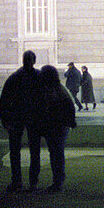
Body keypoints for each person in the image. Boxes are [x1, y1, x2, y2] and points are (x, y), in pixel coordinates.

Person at [0, 50, 42, 192]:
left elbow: (4, 100)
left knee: (16, 151)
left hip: (17, 118)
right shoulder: (38, 77)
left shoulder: (15, 77)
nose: (28, 61)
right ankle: (32, 182)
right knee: (33, 151)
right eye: (27, 59)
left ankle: (17, 181)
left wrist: (5, 118)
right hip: (32, 118)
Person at [35, 65, 76, 193]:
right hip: (60, 126)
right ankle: (58, 181)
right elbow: (70, 105)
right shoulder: (59, 89)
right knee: (57, 153)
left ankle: (58, 182)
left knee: (56, 154)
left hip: (56, 126)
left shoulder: (52, 90)